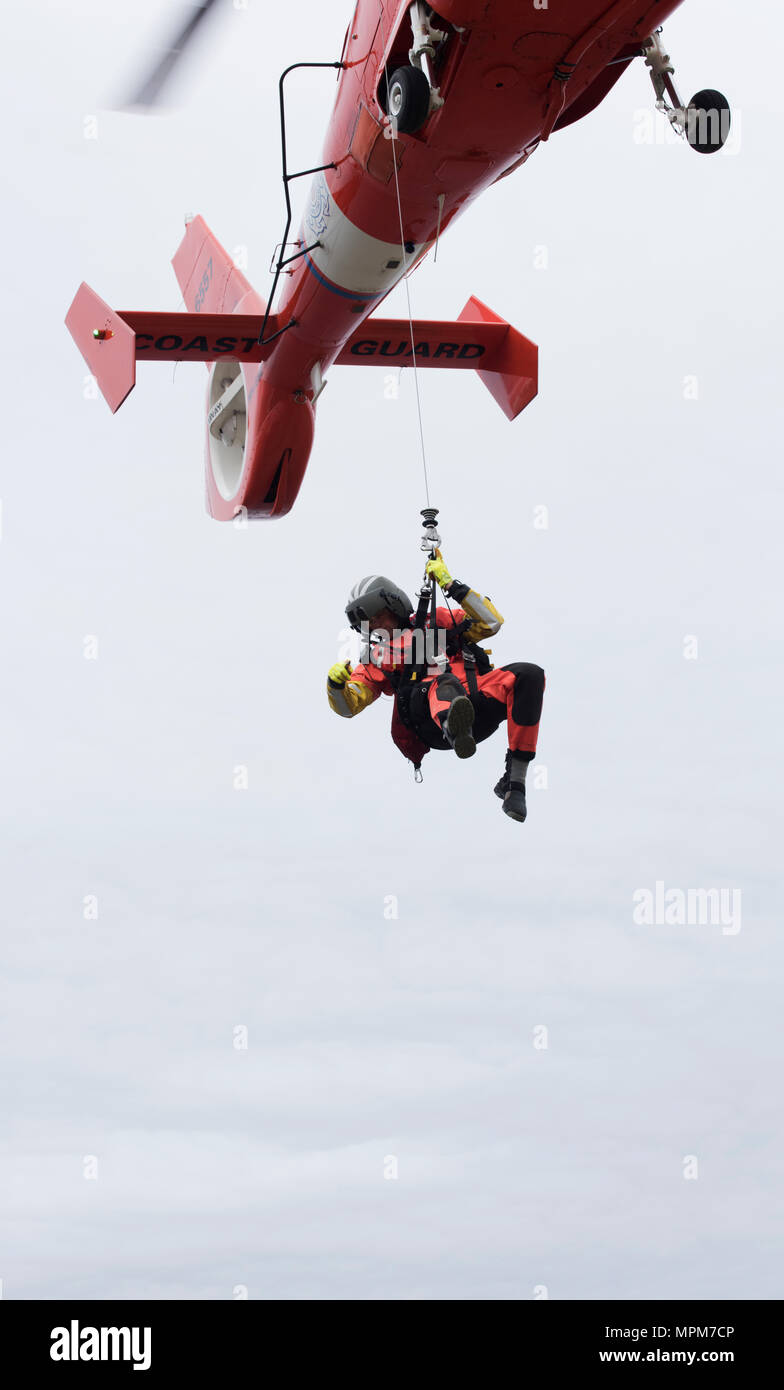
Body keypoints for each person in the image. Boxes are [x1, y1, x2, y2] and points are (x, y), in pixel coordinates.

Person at [327, 554, 545, 822]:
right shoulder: (378, 657)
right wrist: (336, 686)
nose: (376, 626)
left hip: (473, 704)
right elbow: (349, 705)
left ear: (393, 607)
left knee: (529, 675)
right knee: (441, 679)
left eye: (378, 617)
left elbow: (491, 622)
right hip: (429, 724)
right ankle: (453, 725)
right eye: (369, 624)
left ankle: (514, 783)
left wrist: (450, 584)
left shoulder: (436, 621)